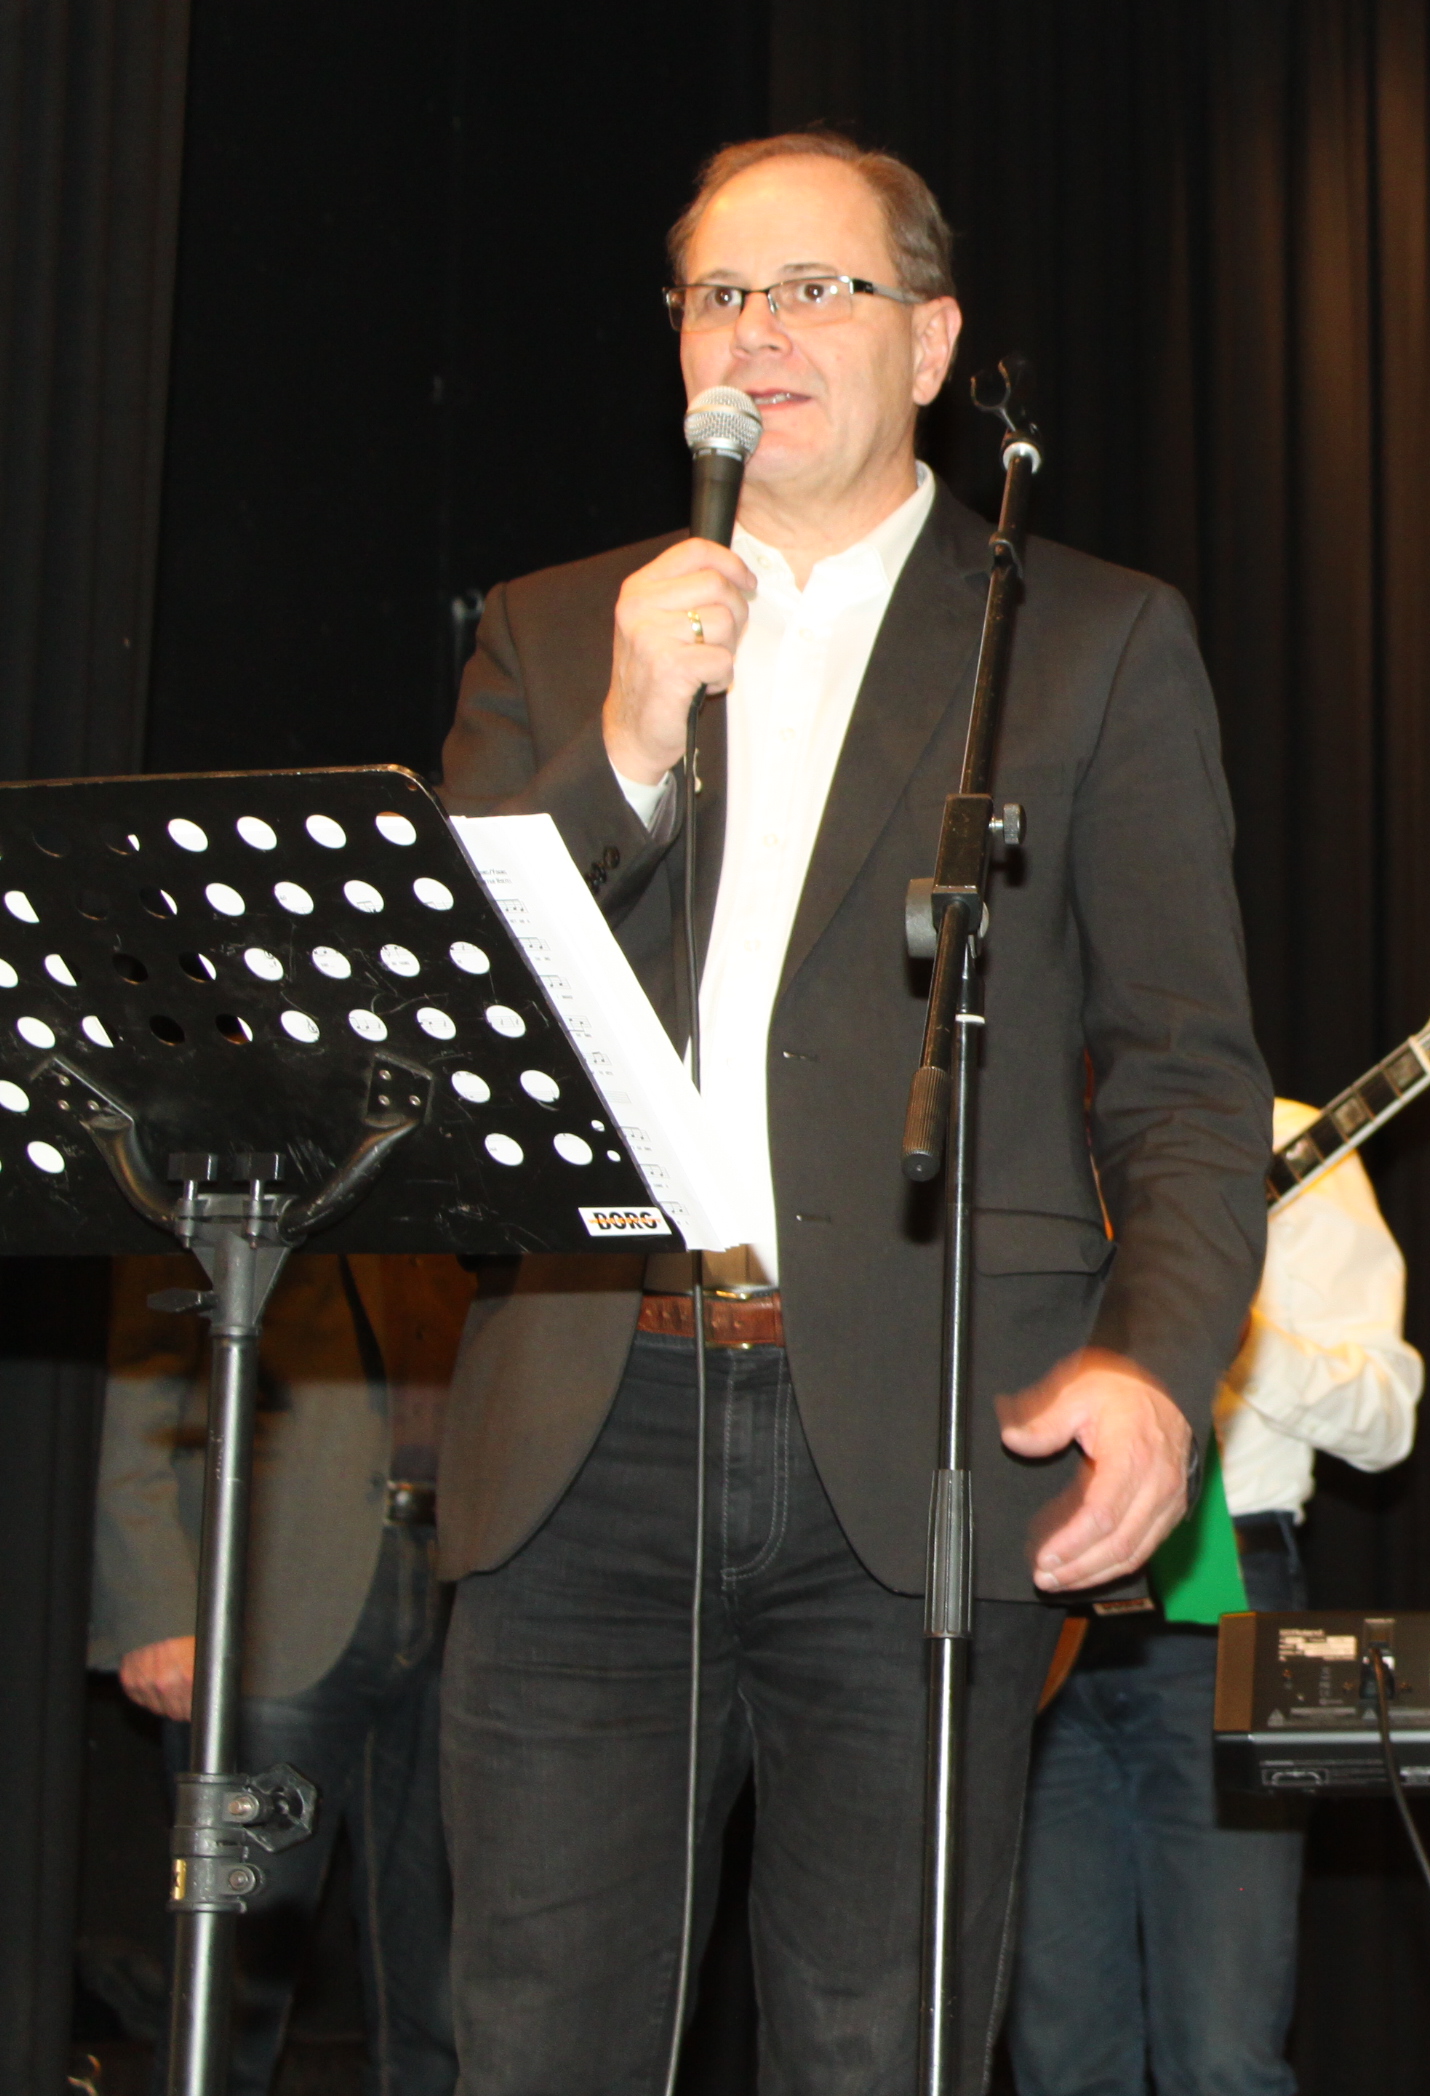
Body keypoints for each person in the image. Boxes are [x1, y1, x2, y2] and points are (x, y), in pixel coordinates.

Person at [433, 130, 1270, 2095]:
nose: (760, 332)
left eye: (817, 289)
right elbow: (461, 1029)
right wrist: (623, 745)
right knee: (534, 2043)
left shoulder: (1087, 636)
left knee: (874, 2043)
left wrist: (1157, 1365)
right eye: (720, 295)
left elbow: (1187, 1071)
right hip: (586, 1427)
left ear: (932, 343)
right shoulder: (556, 633)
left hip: (928, 1436)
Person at [1011, 1102, 1417, 2096]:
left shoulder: (1284, 1138)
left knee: (1222, 2058)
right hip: (1037, 1606)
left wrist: (1222, 1325)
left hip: (1223, 1600)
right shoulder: (1021, 1126)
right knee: (1060, 2061)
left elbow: (1386, 1422)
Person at [88, 1253, 473, 2096]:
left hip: (452, 1583)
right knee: (234, 1988)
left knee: (444, 2003)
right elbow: (138, 1365)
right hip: (274, 1596)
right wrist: (154, 1606)